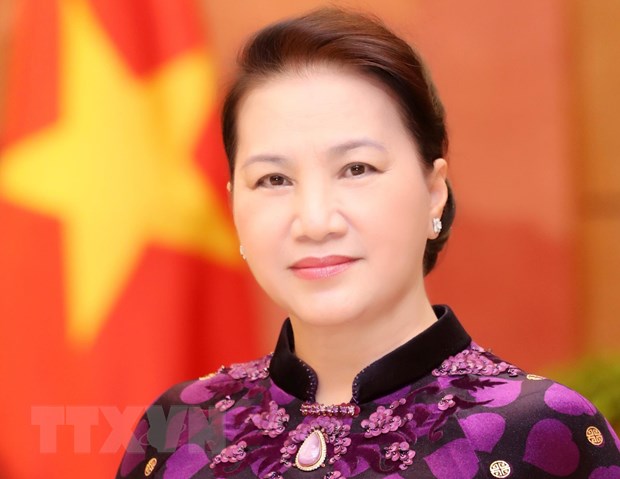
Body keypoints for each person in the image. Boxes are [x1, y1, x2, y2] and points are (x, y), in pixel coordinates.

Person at [116, 8, 620, 479]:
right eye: (273, 179)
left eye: (356, 169)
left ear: (434, 191)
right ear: (233, 204)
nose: (315, 221)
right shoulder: (179, 428)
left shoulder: (536, 431)